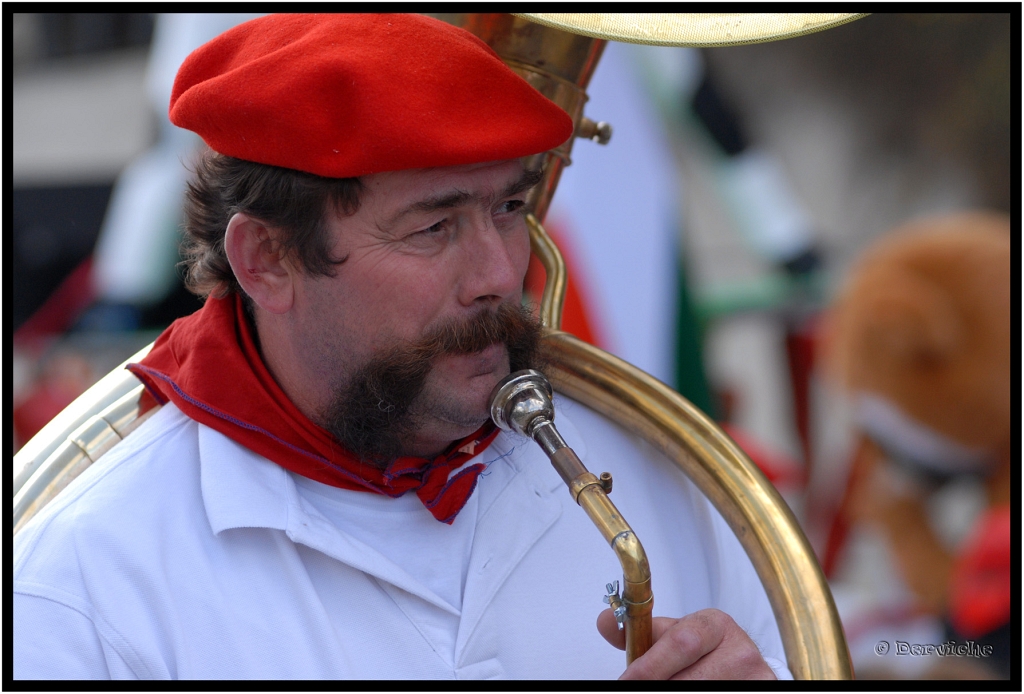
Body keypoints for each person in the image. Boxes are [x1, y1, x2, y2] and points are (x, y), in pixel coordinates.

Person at [14, 14, 788, 680]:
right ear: (267, 260)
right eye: (434, 227)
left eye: (510, 207)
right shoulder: (78, 584)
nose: (497, 274)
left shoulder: (668, 475)